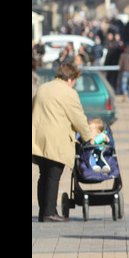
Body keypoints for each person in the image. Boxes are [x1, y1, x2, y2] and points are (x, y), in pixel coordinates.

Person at [32, 63, 94, 222]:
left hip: (38, 139)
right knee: (53, 177)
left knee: (43, 175)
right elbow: (78, 118)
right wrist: (88, 137)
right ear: (70, 79)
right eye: (74, 81)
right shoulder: (68, 93)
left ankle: (43, 211)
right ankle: (50, 213)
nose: (74, 84)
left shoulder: (43, 88)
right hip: (56, 140)